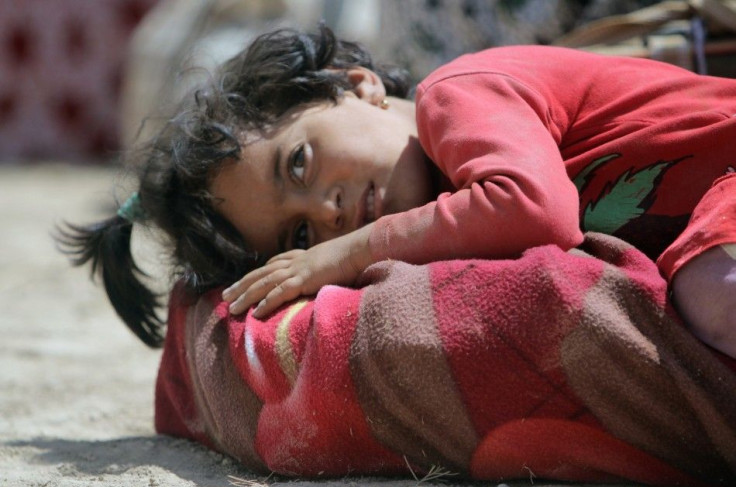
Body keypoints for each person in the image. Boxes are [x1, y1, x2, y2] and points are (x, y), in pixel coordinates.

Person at [59, 25, 736, 358]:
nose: (325, 214)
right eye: (297, 237)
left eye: (299, 164)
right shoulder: (441, 228)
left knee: (716, 295)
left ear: (357, 85)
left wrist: (339, 255)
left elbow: (536, 208)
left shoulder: (458, 94)